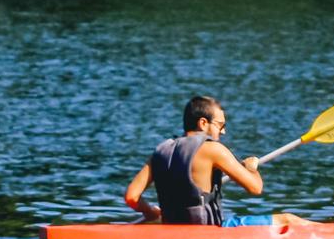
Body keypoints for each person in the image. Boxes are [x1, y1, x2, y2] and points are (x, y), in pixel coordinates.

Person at [125, 95, 296, 227]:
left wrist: (151, 213)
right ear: (203, 123)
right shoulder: (213, 149)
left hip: (172, 231)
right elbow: (255, 188)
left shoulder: (161, 151)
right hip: (207, 232)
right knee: (288, 220)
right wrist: (251, 168)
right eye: (220, 125)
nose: (223, 132)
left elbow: (131, 197)